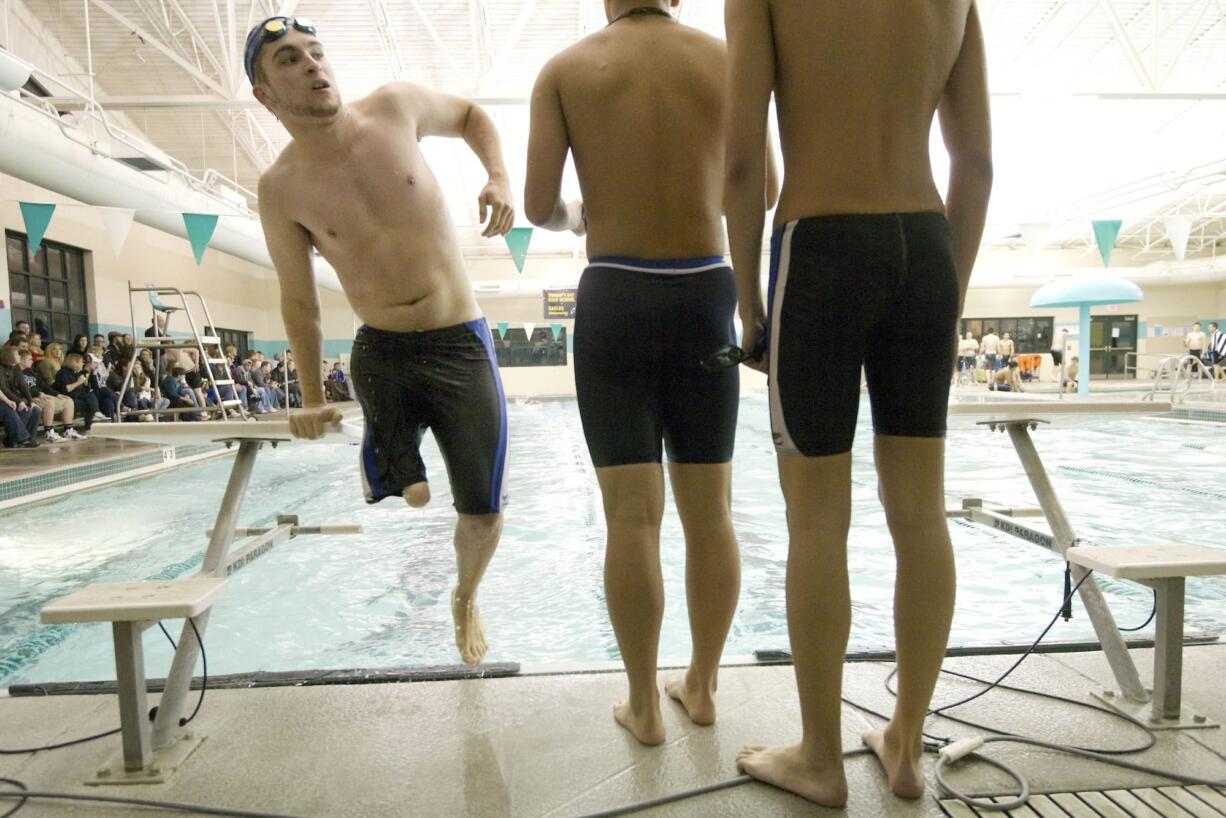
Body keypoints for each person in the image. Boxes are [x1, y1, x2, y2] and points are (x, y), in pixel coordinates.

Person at [724, 0, 992, 806]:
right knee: (921, 513)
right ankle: (904, 745)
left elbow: (741, 160)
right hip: (928, 248)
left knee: (816, 520)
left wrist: (747, 301)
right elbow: (975, 162)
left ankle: (819, 757)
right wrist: (950, 302)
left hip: (824, 246)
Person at [525, 0, 778, 746]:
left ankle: (642, 704)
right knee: (713, 515)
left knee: (631, 518)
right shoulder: (726, 56)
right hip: (706, 292)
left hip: (615, 294)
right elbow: (760, 188)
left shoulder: (564, 71)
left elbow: (540, 204)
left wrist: (581, 216)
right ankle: (700, 686)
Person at [247, 14, 514, 664]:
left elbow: (474, 115)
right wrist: (310, 396)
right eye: (288, 60)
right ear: (265, 96)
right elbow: (298, 299)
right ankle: (397, 460)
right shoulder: (281, 189)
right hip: (383, 354)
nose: (312, 65)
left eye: (316, 51)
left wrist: (499, 176)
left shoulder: (394, 108)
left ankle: (465, 598)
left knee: (483, 510)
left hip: (461, 341)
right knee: (411, 491)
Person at [0, 346, 42, 448]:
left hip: (10, 399)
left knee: (34, 410)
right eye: (17, 354)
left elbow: (23, 386)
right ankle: (23, 439)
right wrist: (19, 401)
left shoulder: (17, 368)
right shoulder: (0, 368)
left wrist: (30, 401)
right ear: (10, 356)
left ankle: (26, 439)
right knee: (11, 409)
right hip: (4, 401)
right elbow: (4, 389)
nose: (19, 356)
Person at [53, 353, 99, 434]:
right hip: (68, 399)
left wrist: (85, 383)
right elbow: (66, 389)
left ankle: (89, 425)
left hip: (78, 397)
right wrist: (79, 382)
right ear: (75, 362)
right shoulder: (63, 373)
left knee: (91, 398)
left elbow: (85, 390)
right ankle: (87, 425)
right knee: (90, 402)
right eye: (81, 362)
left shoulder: (77, 373)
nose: (83, 364)